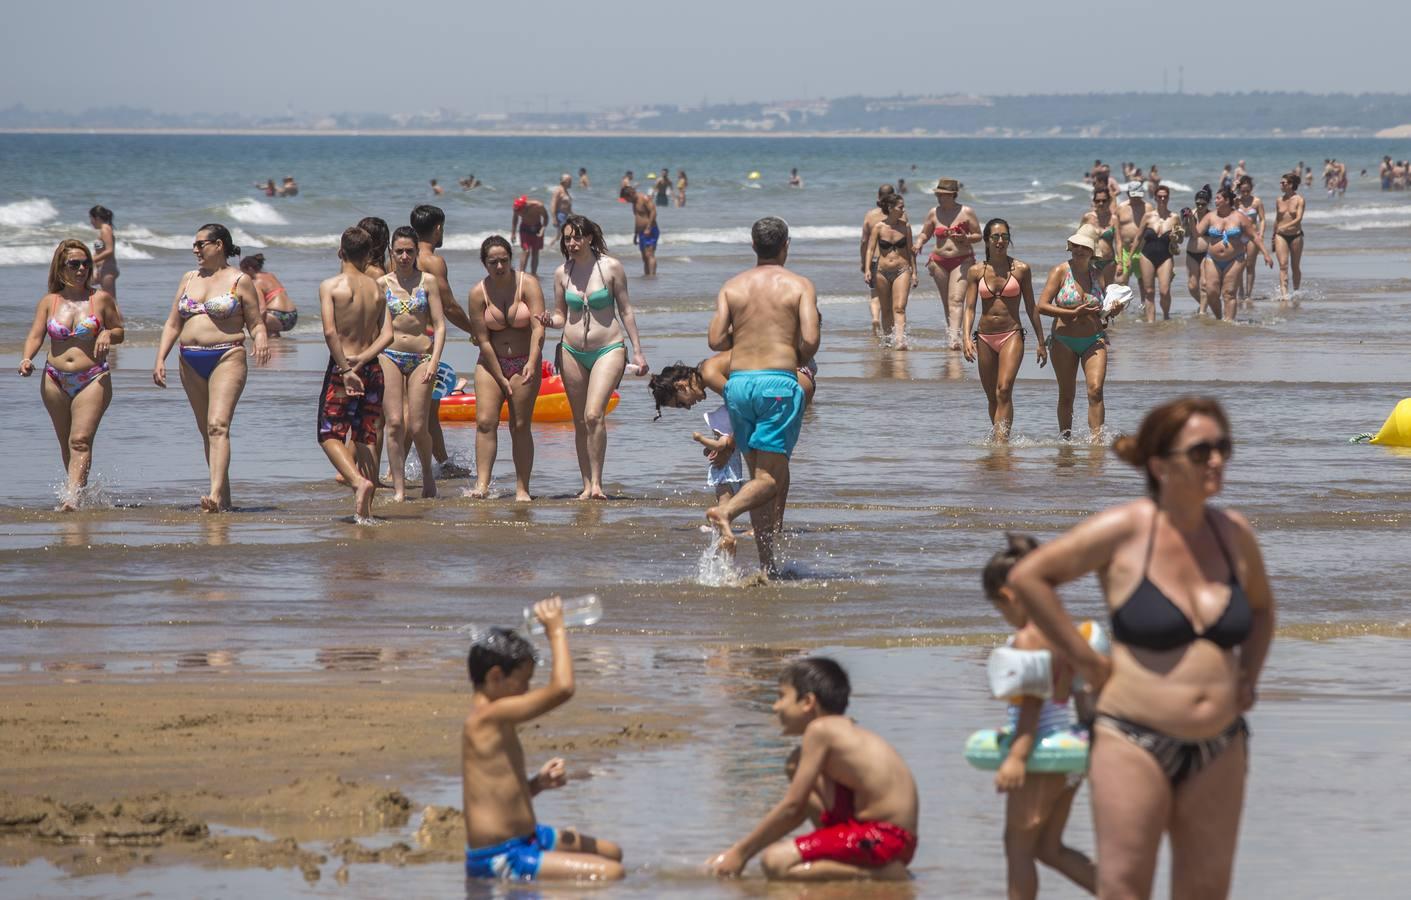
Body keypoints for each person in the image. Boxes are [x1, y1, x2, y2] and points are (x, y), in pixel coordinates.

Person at [1007, 396, 1275, 900]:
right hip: (1133, 739)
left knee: (1206, 892)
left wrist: (1249, 677)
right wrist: (1085, 658)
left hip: (1221, 743)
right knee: (1125, 890)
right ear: (1159, 464)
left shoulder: (1233, 534)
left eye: (1223, 448)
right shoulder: (1126, 528)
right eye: (1200, 452)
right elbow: (1030, 577)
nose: (1216, 460)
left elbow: (1262, 609)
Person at [706, 657, 918, 882]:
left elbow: (793, 806)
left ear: (807, 701)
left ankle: (884, 874)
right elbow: (798, 810)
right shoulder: (840, 730)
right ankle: (846, 858)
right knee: (794, 764)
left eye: (781, 697)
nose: (775, 706)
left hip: (884, 837)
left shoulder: (820, 730)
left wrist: (740, 853)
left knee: (775, 862)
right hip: (894, 839)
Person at [462, 597, 625, 882]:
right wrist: (556, 630)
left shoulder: (498, 719)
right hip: (499, 856)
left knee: (613, 852)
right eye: (523, 681)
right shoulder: (485, 718)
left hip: (528, 837)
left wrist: (537, 784)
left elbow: (499, 796)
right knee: (613, 873)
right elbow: (562, 688)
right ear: (496, 676)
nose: (527, 691)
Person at [982, 534, 1097, 900]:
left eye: (1000, 608)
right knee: (1048, 847)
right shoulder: (1065, 632)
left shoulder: (1029, 639)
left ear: (1010, 595)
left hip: (1039, 753)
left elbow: (1031, 703)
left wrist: (1017, 756)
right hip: (1069, 751)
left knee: (1017, 844)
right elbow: (1083, 694)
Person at [704, 217, 820, 573]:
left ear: (754, 246)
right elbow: (811, 341)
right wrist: (788, 347)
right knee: (771, 479)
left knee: (759, 479)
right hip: (777, 386)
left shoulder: (732, 287)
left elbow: (716, 340)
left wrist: (747, 337)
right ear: (786, 245)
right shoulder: (799, 286)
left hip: (739, 385)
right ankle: (725, 512)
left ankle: (767, 565)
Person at [153, 224, 271, 512]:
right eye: (194, 245)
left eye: (200, 244)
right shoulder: (188, 278)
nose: (195, 250)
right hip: (188, 359)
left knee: (218, 425)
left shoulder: (240, 280)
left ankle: (215, 495)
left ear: (219, 245)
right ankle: (225, 499)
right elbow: (172, 322)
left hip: (226, 356)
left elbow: (255, 321)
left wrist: (262, 339)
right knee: (207, 431)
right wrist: (160, 358)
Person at [18, 240, 124, 510]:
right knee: (67, 443)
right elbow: (35, 335)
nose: (81, 269)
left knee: (80, 440)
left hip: (92, 377)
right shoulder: (49, 302)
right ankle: (80, 493)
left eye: (85, 263)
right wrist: (27, 358)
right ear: (60, 267)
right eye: (74, 264)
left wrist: (107, 332)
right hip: (54, 377)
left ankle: (71, 499)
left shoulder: (99, 298)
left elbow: (120, 331)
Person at [548, 215, 648, 500]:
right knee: (580, 420)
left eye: (577, 237)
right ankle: (587, 485)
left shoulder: (611, 267)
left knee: (594, 415)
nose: (572, 243)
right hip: (571, 350)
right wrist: (546, 319)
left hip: (609, 348)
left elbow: (626, 310)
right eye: (567, 238)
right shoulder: (561, 273)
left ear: (590, 237)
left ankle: (599, 483)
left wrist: (638, 351)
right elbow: (560, 316)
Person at [649, 352, 817, 512]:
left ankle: (760, 522)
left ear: (681, 385)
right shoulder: (709, 369)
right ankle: (773, 525)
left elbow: (745, 410)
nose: (688, 407)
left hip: (791, 381)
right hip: (792, 380)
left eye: (680, 403)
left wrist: (727, 446)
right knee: (773, 458)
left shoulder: (709, 373)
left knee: (767, 459)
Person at [317, 226, 393, 520]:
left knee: (329, 434)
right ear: (369, 255)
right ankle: (367, 510)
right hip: (372, 367)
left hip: (343, 366)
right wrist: (365, 358)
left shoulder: (331, 286)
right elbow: (387, 335)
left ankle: (358, 482)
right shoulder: (378, 288)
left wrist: (347, 368)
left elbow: (329, 331)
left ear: (341, 252)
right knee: (366, 434)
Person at [467, 236, 547, 501]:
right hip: (491, 364)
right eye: (493, 262)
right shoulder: (478, 293)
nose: (499, 266)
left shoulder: (528, 284)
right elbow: (482, 339)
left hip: (524, 361)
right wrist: (499, 376)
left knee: (520, 425)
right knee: (485, 423)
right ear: (484, 263)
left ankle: (522, 488)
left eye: (504, 260)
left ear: (511, 259)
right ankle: (482, 485)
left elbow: (538, 329)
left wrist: (533, 362)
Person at [961, 219, 1046, 442]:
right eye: (995, 237)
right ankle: (1001, 438)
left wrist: (1041, 341)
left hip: (1012, 334)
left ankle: (1001, 444)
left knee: (1004, 390)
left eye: (1005, 237)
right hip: (985, 337)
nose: (1000, 241)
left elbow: (1030, 306)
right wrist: (965, 338)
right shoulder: (975, 271)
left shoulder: (1021, 270)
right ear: (987, 241)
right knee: (992, 396)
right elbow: (969, 308)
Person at [378, 226, 446, 502]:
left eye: (409, 251)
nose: (404, 256)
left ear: (417, 252)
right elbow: (377, 328)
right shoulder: (382, 284)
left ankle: (428, 476)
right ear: (391, 253)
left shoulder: (428, 281)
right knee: (394, 424)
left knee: (418, 426)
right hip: (390, 356)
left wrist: (435, 361)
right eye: (399, 251)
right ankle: (399, 488)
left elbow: (440, 326)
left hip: (422, 357)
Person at [412, 205, 474, 477]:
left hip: (398, 340)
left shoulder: (400, 257)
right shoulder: (432, 261)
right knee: (424, 410)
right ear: (438, 228)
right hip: (425, 342)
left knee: (420, 409)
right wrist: (476, 331)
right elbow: (448, 305)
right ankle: (433, 466)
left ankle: (441, 463)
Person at [1037, 225, 1108, 441]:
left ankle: (1097, 443)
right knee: (1067, 395)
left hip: (1094, 339)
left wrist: (1111, 311)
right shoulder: (1060, 271)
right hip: (1063, 340)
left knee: (1095, 391)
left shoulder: (1097, 274)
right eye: (1076, 245)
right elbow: (1041, 306)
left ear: (1092, 251)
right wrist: (1072, 312)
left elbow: (1103, 310)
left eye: (1084, 246)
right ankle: (1065, 441)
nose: (1079, 250)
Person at [914, 178, 981, 350]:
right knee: (947, 302)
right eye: (938, 194)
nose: (939, 198)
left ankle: (955, 340)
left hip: (963, 260)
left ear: (952, 195)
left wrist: (966, 238)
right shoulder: (933, 212)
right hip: (939, 262)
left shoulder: (967, 212)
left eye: (943, 195)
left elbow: (978, 235)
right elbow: (925, 233)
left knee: (956, 300)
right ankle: (953, 335)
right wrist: (919, 243)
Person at [1198, 186, 1271, 321]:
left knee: (1229, 293)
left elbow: (1254, 236)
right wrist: (1189, 220)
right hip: (1212, 259)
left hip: (1235, 259)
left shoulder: (1239, 217)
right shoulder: (1210, 216)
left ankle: (1228, 324)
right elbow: (1196, 232)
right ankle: (1220, 318)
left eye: (1218, 198)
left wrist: (1266, 254)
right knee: (1211, 292)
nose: (1215, 201)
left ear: (1226, 200)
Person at [862, 193, 916, 349]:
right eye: (900, 207)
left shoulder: (905, 227)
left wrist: (914, 272)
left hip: (902, 270)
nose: (903, 210)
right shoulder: (879, 227)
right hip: (881, 271)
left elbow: (910, 250)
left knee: (899, 307)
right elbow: (870, 250)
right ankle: (887, 340)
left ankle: (899, 341)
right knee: (885, 310)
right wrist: (867, 270)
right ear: (891, 208)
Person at [1135, 185, 1183, 322]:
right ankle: (1151, 323)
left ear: (1168, 197)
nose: (1162, 199)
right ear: (1155, 197)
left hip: (1166, 256)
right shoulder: (1148, 216)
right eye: (1160, 196)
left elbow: (1180, 239)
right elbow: (1138, 237)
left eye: (1165, 196)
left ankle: (1166, 316)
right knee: (1149, 291)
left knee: (1164, 291)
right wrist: (1129, 257)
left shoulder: (1174, 218)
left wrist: (1176, 238)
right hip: (1147, 256)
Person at [859, 183, 898, 335]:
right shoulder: (897, 214)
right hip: (893, 259)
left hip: (875, 259)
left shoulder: (870, 215)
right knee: (892, 298)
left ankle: (876, 318)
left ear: (878, 196)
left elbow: (864, 242)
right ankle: (892, 329)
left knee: (875, 294)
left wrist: (864, 263)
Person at [240, 254, 298, 336]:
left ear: (250, 269)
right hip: (292, 315)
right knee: (271, 331)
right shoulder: (271, 275)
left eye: (243, 271)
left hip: (277, 315)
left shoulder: (256, 283)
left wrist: (256, 328)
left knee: (250, 321)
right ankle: (276, 344)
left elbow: (262, 309)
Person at [1273, 172, 1305, 301]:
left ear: (1291, 185)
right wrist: (1273, 235)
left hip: (1296, 235)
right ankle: (1284, 294)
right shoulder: (1279, 200)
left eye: (1283, 183)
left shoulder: (1299, 200)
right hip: (1280, 235)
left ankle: (1296, 291)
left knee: (1295, 266)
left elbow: (1299, 218)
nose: (1281, 185)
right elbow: (1277, 218)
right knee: (1283, 265)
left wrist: (1286, 226)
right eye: (1280, 183)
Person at [1234, 176, 1267, 301]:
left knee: (1250, 265)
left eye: (1248, 191)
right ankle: (1240, 291)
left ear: (1251, 189)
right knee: (1239, 264)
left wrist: (1262, 234)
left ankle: (1248, 294)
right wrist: (1233, 187)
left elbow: (1263, 219)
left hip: (1253, 235)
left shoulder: (1257, 201)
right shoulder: (1236, 201)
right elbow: (1223, 202)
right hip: (1238, 236)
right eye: (1243, 191)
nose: (1246, 193)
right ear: (1239, 190)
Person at [1080, 187, 1120, 287]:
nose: (1101, 203)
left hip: (1108, 262)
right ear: (1094, 201)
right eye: (1098, 201)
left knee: (1107, 291)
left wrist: (1120, 262)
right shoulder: (1087, 217)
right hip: (1090, 261)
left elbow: (1119, 242)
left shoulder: (1114, 219)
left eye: (1104, 200)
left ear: (1109, 201)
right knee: (1090, 290)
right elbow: (1078, 238)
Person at [1180, 187, 1212, 306]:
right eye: (1197, 204)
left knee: (1204, 284)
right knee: (1192, 286)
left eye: (1203, 204)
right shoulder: (1190, 213)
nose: (1199, 207)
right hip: (1191, 253)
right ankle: (1204, 305)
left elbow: (1196, 233)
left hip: (1207, 253)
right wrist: (1185, 221)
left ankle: (1202, 313)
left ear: (1208, 203)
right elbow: (1187, 234)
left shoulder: (1211, 216)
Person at [1115, 182, 1147, 287]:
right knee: (1121, 282)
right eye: (1134, 196)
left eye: (1139, 196)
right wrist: (1119, 260)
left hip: (1142, 250)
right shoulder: (1121, 208)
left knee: (1144, 284)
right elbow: (1118, 236)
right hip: (1125, 250)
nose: (1136, 199)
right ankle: (1122, 303)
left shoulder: (1148, 207)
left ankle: (1143, 303)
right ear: (1128, 194)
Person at [510, 195, 549, 275]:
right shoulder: (516, 208)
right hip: (525, 229)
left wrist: (543, 229)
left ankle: (533, 274)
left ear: (525, 206)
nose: (520, 213)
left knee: (535, 251)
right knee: (526, 250)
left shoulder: (538, 206)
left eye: (521, 211)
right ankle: (522, 273)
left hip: (537, 228)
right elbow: (515, 219)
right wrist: (513, 233)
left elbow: (546, 217)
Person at [625, 186, 659, 276]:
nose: (627, 201)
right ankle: (647, 276)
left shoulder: (644, 198)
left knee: (649, 254)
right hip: (641, 233)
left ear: (631, 194)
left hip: (650, 230)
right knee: (644, 257)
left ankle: (652, 276)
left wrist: (648, 227)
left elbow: (653, 212)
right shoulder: (634, 202)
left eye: (627, 199)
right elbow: (638, 218)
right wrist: (635, 234)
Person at [88, 206, 119, 298]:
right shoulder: (104, 229)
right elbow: (100, 250)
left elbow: (109, 250)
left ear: (96, 218)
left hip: (107, 269)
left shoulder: (105, 229)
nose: (90, 222)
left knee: (112, 303)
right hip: (101, 269)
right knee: (78, 285)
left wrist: (91, 260)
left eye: (91, 218)